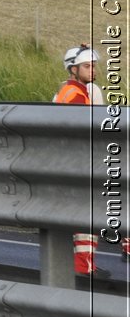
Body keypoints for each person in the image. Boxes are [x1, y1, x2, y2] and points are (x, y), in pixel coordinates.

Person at [53, 44, 110, 278]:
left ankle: (82, 265)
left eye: (94, 66)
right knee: (88, 215)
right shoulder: (75, 94)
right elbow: (78, 130)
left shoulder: (73, 91)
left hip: (72, 162)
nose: (93, 70)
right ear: (73, 69)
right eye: (87, 66)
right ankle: (82, 267)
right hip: (77, 162)